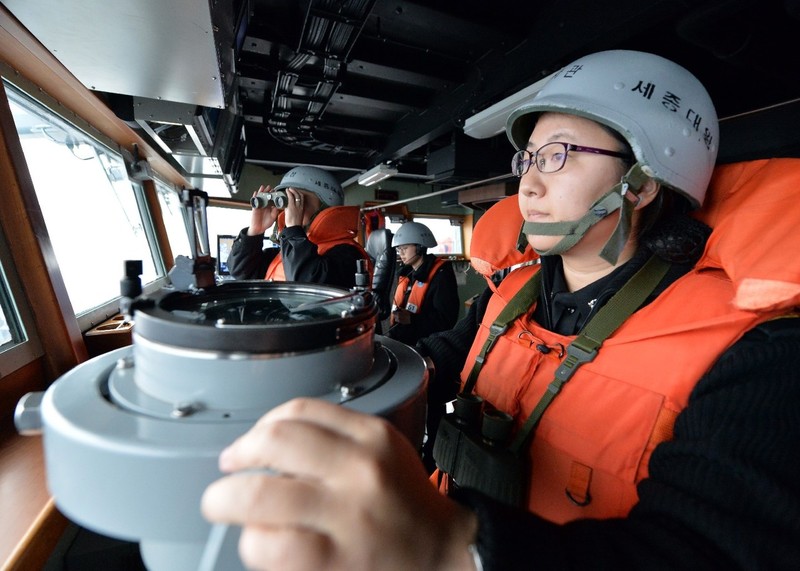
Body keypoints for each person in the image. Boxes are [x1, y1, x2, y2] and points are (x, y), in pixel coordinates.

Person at [202, 50, 800, 570]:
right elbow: (440, 359)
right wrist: (339, 376)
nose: (528, 188)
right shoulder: (510, 291)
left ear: (640, 186)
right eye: (529, 159)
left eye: (559, 155)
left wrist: (449, 552)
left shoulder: (758, 352)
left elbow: (709, 552)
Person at [226, 165, 370, 289]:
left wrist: (293, 230)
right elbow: (240, 272)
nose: (291, 207)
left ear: (325, 207)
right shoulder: (286, 254)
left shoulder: (349, 256)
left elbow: (307, 284)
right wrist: (255, 231)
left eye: (298, 200)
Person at [385, 221, 460, 346]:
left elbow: (446, 320)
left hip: (424, 345)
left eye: (405, 248)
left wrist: (412, 319)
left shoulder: (441, 275)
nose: (401, 253)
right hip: (401, 341)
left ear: (420, 248)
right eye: (399, 249)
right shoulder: (407, 273)